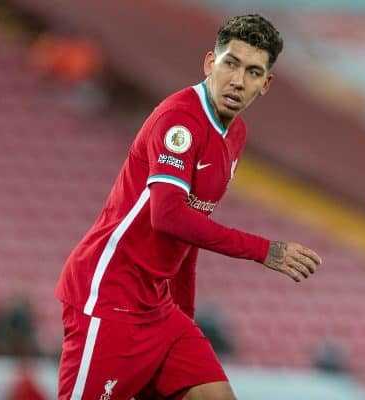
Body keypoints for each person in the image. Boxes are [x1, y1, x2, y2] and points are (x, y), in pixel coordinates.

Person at [55, 13, 322, 400]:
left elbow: (191, 230)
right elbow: (168, 216)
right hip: (110, 298)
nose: (237, 80)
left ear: (265, 84)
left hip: (158, 309)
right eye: (231, 63)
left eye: (252, 72)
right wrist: (264, 251)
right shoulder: (179, 120)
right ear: (210, 62)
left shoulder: (235, 134)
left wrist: (184, 318)